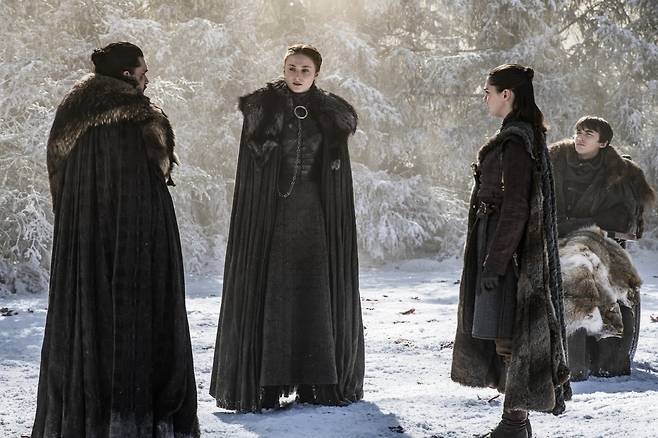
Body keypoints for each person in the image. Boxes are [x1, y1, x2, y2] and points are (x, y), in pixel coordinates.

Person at [33, 42, 199, 437]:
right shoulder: (141, 115)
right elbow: (157, 170)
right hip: (139, 234)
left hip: (83, 234)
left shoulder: (71, 112)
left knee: (89, 312)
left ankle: (84, 420)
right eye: (143, 70)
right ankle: (139, 420)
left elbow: (57, 171)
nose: (147, 77)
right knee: (140, 314)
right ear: (127, 74)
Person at [210, 44, 364, 412]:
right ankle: (267, 384)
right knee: (274, 294)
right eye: (292, 68)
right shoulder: (263, 108)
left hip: (316, 218)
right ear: (283, 69)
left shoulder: (331, 113)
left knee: (315, 294)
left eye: (305, 70)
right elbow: (252, 170)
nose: (297, 75)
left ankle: (316, 382)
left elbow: (336, 172)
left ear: (316, 74)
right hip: (271, 217)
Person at [451, 64, 571, 438]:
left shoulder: (517, 141)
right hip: (498, 241)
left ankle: (514, 425)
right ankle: (516, 424)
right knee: (506, 332)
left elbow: (517, 206)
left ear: (507, 95)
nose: (484, 98)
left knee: (511, 336)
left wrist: (496, 261)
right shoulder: (515, 135)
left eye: (487, 92)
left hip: (509, 248)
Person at [550, 116, 656, 380]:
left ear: (603, 143)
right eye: (578, 132)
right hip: (554, 241)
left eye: (589, 134)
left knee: (593, 274)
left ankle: (603, 358)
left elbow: (623, 219)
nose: (580, 137)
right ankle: (569, 359)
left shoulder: (619, 172)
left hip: (602, 242)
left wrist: (581, 224)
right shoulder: (554, 162)